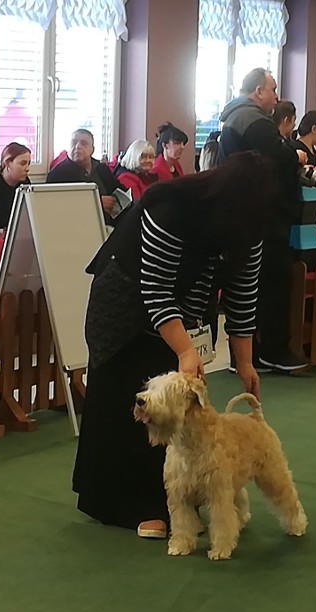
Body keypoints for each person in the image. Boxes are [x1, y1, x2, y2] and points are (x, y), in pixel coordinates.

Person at [74, 151, 279, 538]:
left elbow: (243, 296)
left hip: (179, 309)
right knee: (133, 403)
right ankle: (130, 506)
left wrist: (246, 363)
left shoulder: (248, 229)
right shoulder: (169, 209)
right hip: (125, 305)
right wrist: (184, 350)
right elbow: (155, 288)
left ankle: (176, 501)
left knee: (175, 415)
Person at [219, 67, 308, 372]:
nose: (276, 96)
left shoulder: (236, 116)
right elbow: (278, 156)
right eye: (273, 90)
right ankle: (272, 350)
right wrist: (295, 155)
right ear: (258, 91)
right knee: (271, 281)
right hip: (262, 214)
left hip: (245, 211)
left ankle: (246, 355)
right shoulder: (253, 120)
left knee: (247, 284)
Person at [46, 128, 122, 223]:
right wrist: (96, 203)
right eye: (74, 142)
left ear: (92, 149)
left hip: (107, 225)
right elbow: (53, 207)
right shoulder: (57, 173)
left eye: (84, 143)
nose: (78, 146)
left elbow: (119, 191)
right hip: (74, 226)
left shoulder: (101, 168)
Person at [0, 142, 31, 239]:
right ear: (7, 163)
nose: (27, 168)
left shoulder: (25, 183)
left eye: (28, 163)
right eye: (23, 163)